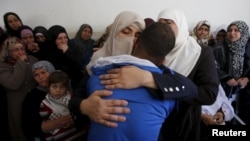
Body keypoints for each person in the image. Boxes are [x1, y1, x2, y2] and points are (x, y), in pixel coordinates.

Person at [69, 10, 199, 136]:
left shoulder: (147, 67)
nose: (131, 39)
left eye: (137, 35)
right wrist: (84, 106)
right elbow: (74, 101)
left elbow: (189, 88)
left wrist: (147, 78)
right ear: (114, 34)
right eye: (126, 32)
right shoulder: (97, 64)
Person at [99, 9, 219, 141]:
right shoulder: (151, 49)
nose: (164, 28)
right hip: (149, 124)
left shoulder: (200, 53)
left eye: (169, 23)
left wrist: (151, 79)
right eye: (160, 23)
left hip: (182, 125)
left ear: (180, 26)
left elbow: (209, 94)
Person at [0, 36, 38, 141]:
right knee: (22, 130)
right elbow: (14, 83)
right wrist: (21, 63)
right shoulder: (2, 67)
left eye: (22, 49)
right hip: (18, 104)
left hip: (34, 101)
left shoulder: (32, 59)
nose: (20, 52)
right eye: (16, 50)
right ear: (8, 51)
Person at [213, 20, 250, 125]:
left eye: (236, 30)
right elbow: (212, 67)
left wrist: (247, 78)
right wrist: (226, 77)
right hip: (223, 89)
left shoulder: (248, 49)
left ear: (243, 33)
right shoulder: (218, 48)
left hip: (243, 91)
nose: (232, 33)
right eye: (229, 30)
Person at [40, 70, 87, 141]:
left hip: (79, 135)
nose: (58, 90)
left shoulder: (72, 98)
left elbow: (81, 115)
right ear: (48, 87)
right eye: (54, 87)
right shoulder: (45, 104)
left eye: (62, 87)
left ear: (66, 87)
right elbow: (47, 126)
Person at [22, 60, 56, 141]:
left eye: (43, 72)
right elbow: (27, 126)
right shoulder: (31, 97)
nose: (40, 77)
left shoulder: (64, 88)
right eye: (36, 75)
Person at [45, 25, 84, 90]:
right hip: (57, 85)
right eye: (59, 38)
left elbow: (79, 66)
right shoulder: (49, 52)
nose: (63, 41)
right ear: (53, 40)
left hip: (76, 84)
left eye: (65, 37)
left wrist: (67, 51)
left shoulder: (74, 48)